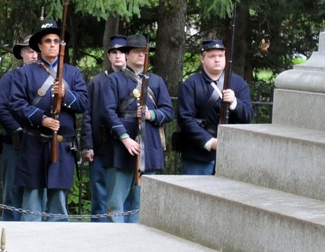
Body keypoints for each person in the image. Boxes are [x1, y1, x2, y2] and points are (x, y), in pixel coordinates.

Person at [6, 20, 87, 222]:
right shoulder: (23, 73)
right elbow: (16, 103)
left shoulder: (73, 73)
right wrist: (42, 119)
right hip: (33, 141)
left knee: (58, 198)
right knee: (32, 197)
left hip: (62, 144)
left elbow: (84, 103)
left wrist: (66, 95)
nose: (52, 44)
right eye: (47, 41)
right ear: (39, 46)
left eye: (56, 41)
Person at [102, 34, 174, 223]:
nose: (141, 55)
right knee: (116, 204)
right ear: (127, 55)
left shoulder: (156, 81)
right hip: (121, 146)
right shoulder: (114, 80)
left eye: (144, 52)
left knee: (141, 203)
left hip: (148, 144)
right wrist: (124, 137)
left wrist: (152, 115)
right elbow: (108, 112)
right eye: (136, 51)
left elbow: (168, 111)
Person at [177, 39, 254, 175]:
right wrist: (209, 142)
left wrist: (234, 102)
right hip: (198, 153)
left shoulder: (238, 83)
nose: (217, 60)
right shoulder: (191, 84)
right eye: (211, 56)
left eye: (220, 56)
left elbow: (248, 116)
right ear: (202, 59)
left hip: (231, 152)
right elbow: (185, 119)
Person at [79, 35, 127, 222]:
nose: (118, 56)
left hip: (125, 147)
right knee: (99, 197)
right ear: (108, 56)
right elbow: (88, 114)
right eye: (114, 52)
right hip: (100, 145)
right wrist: (87, 145)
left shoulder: (137, 82)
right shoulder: (97, 82)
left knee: (123, 198)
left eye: (122, 52)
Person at [0, 35, 37, 221]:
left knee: (36, 194)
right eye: (30, 51)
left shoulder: (49, 78)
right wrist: (18, 130)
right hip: (15, 144)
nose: (34, 55)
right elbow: (0, 109)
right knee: (12, 194)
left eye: (37, 51)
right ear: (22, 53)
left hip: (40, 144)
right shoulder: (10, 78)